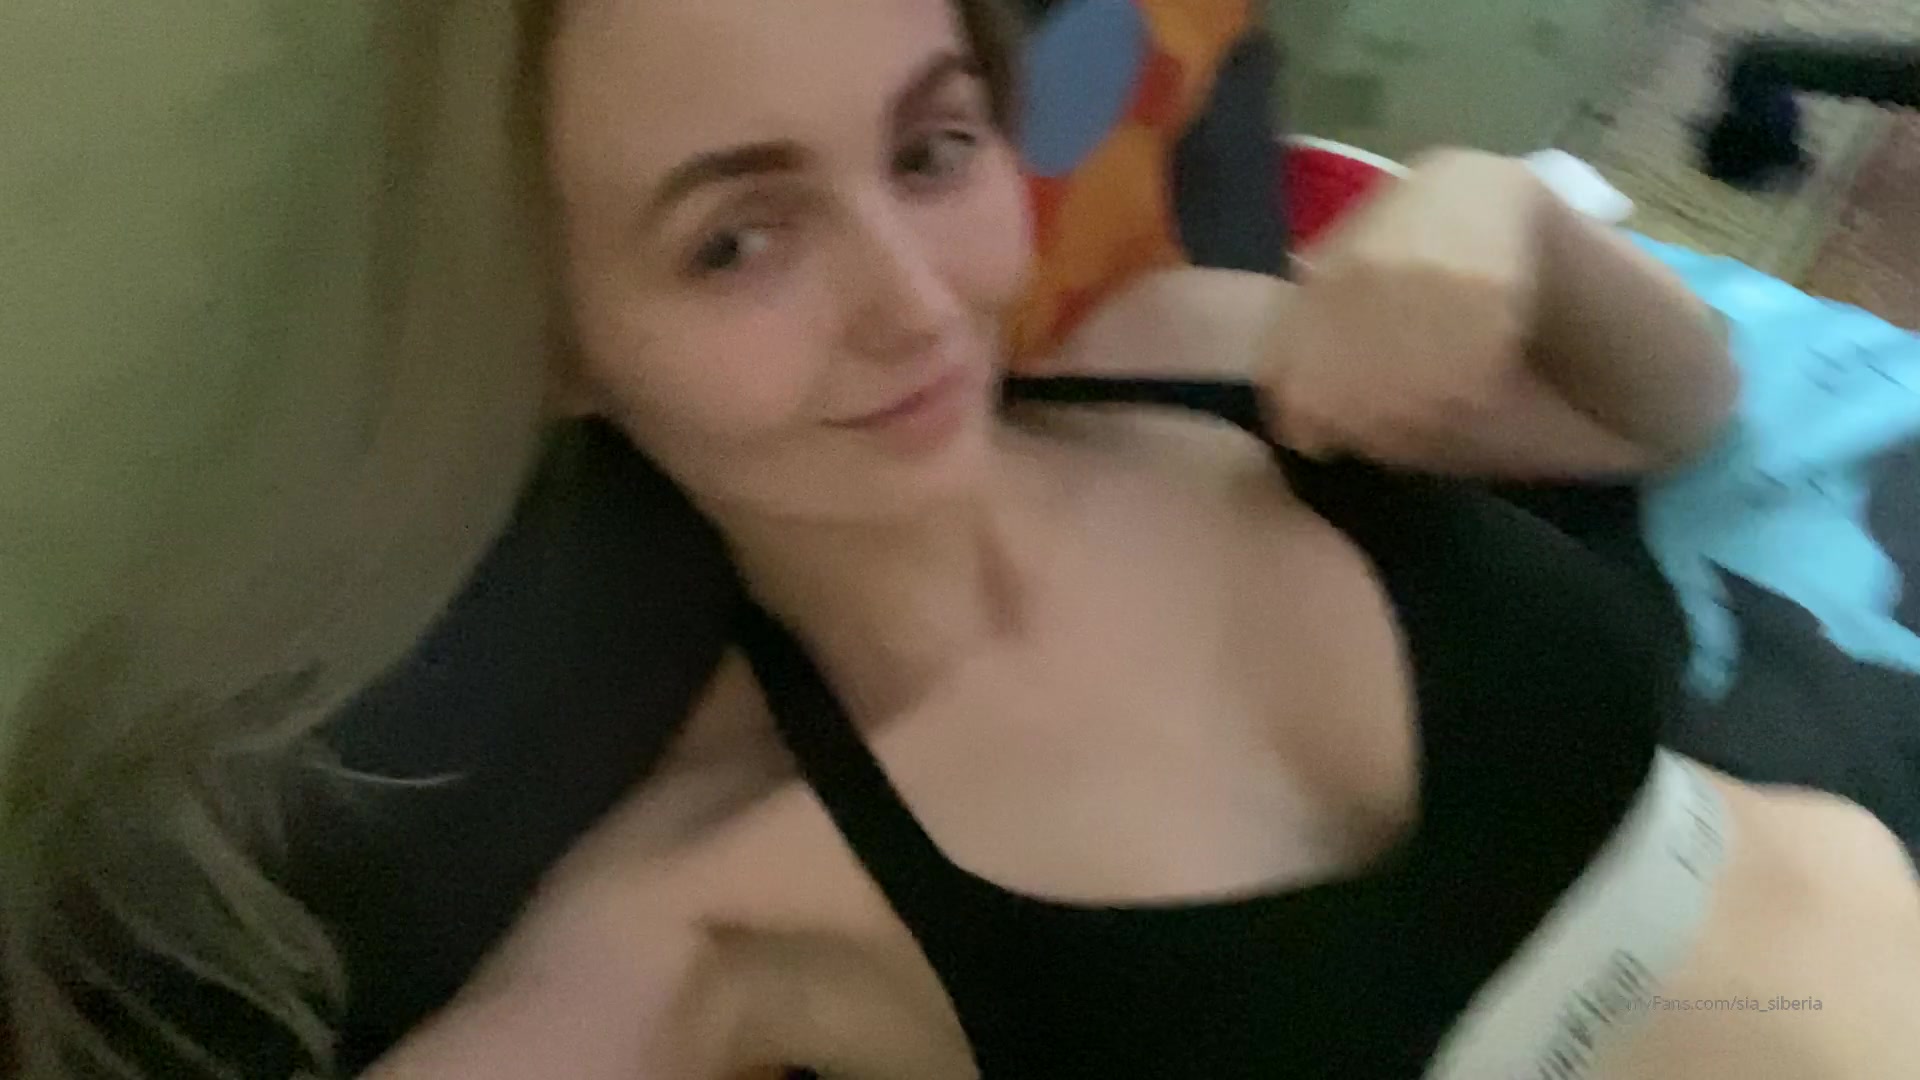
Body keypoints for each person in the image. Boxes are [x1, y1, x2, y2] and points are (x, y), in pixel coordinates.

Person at [359, 0, 1920, 1077]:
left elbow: (1672, 410)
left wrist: (1508, 218)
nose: (917, 303)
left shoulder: (1190, 358)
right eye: (735, 241)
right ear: (555, 339)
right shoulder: (721, 895)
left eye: (930, 149)